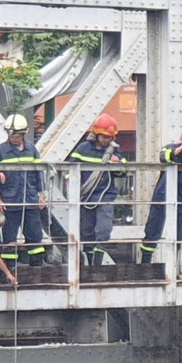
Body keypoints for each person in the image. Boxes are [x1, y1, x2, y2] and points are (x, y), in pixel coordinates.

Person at [139, 127, 182, 264]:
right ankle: (145, 263)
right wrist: (180, 149)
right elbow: (164, 158)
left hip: (181, 199)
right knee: (153, 229)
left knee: (179, 234)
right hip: (162, 196)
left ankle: (173, 268)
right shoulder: (169, 149)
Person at [0, 113, 47, 270]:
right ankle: (8, 270)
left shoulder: (32, 149)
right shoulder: (1, 150)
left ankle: (36, 269)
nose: (13, 138)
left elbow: (39, 173)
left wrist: (41, 195)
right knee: (9, 236)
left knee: (35, 236)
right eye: (10, 135)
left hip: (30, 200)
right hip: (10, 200)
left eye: (16, 135)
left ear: (23, 134)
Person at [70, 113, 123, 265]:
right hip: (86, 196)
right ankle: (89, 262)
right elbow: (71, 171)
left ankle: (97, 265)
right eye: (104, 137)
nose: (107, 140)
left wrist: (117, 163)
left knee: (104, 229)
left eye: (109, 138)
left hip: (105, 195)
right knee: (86, 231)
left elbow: (123, 171)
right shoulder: (83, 149)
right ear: (96, 134)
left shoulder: (115, 151)